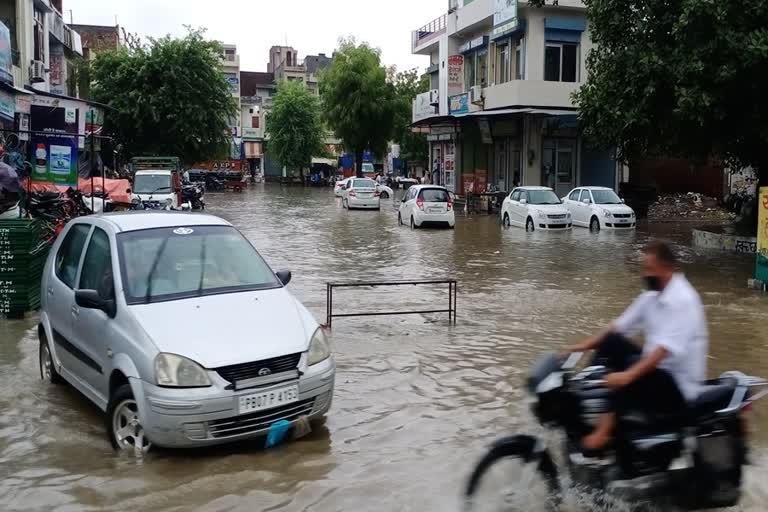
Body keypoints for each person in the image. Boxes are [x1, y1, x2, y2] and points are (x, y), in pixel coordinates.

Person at [565, 240, 708, 452]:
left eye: (649, 269)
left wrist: (625, 376)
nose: (645, 274)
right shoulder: (651, 296)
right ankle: (586, 403)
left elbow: (661, 352)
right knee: (612, 342)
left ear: (666, 268)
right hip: (657, 372)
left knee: (631, 367)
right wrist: (579, 347)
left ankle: (604, 431)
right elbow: (618, 328)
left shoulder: (683, 300)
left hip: (678, 386)